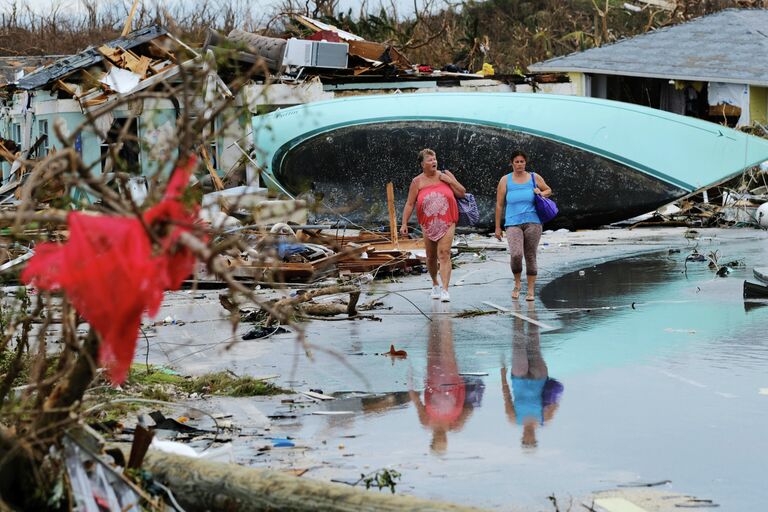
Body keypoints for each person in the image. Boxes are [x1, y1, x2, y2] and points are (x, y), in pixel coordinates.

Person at [400, 148, 466, 302]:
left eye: (434, 159)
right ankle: (435, 283)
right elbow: (410, 204)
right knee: (430, 257)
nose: (434, 162)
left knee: (444, 253)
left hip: (447, 220)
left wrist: (449, 181)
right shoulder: (417, 181)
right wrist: (404, 223)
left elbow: (462, 192)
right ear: (422, 164)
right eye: (429, 160)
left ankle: (445, 289)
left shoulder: (446, 175)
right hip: (427, 222)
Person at [409, 302, 475, 454]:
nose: (442, 439)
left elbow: (417, 402)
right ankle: (444, 319)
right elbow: (470, 408)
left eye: (439, 442)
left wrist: (410, 381)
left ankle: (436, 318)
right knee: (446, 349)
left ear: (433, 440)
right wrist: (462, 420)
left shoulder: (427, 423)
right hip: (452, 381)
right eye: (443, 442)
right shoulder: (455, 425)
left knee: (433, 349)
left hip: (434, 380)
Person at [501, 301, 563, 449]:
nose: (529, 438)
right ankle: (531, 307)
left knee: (518, 343)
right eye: (531, 441)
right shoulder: (545, 419)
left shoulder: (514, 418)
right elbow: (555, 400)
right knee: (534, 339)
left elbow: (506, 396)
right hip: (539, 377)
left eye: (526, 441)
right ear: (535, 439)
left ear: (522, 438)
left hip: (519, 377)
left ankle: (517, 312)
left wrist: (503, 375)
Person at [494, 150, 552, 301]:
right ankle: (517, 284)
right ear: (512, 163)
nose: (519, 164)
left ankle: (531, 291)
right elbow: (499, 205)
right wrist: (497, 227)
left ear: (525, 163)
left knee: (530, 255)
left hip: (533, 222)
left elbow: (548, 190)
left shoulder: (534, 177)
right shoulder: (505, 180)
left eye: (522, 161)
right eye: (517, 161)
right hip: (512, 223)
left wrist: (541, 193)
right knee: (516, 254)